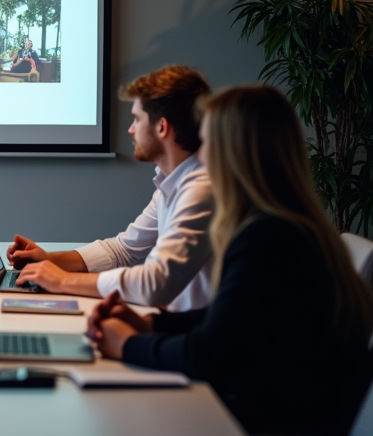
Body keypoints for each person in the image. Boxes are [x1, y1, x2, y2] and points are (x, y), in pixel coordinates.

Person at [90, 86, 373, 436]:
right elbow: (231, 320)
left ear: (234, 154)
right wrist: (151, 326)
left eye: (206, 144)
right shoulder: (293, 229)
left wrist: (127, 344)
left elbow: (208, 355)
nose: (200, 158)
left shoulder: (266, 239)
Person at [9, 65, 214, 310]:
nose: (130, 129)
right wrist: (49, 260)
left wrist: (62, 280)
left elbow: (155, 283)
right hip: (173, 327)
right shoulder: (172, 183)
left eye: (137, 119)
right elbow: (124, 250)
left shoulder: (201, 190)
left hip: (192, 338)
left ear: (162, 126)